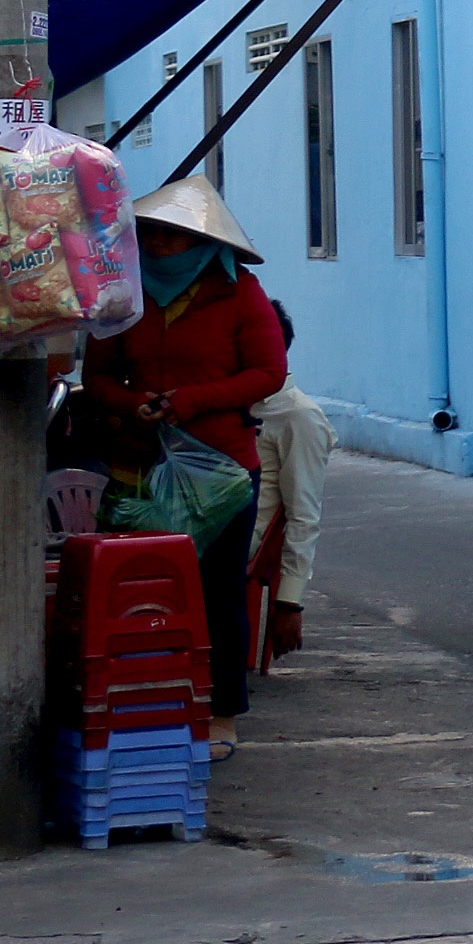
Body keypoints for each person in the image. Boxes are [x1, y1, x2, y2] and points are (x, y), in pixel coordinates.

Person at [85, 177, 290, 745]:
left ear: (202, 243)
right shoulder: (123, 292)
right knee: (136, 596)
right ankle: (140, 706)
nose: (156, 245)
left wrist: (192, 401)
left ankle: (220, 711)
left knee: (217, 595)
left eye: (172, 237)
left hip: (220, 474)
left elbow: (268, 373)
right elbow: (96, 376)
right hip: (136, 467)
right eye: (149, 234)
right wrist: (133, 405)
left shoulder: (239, 293)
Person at [250, 302, 334, 662]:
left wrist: (290, 602)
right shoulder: (228, 403)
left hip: (232, 542)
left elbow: (303, 513)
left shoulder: (298, 418)